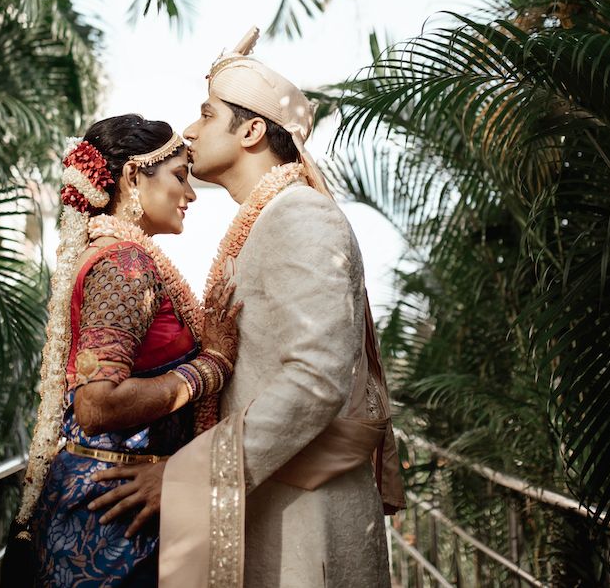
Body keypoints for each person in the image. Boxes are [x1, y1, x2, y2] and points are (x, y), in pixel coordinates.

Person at [90, 31, 405, 588]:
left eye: (206, 115)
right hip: (266, 500)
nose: (188, 132)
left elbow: (315, 380)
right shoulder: (267, 220)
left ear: (252, 130)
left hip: (305, 522)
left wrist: (189, 474)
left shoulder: (301, 216)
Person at [9, 114, 242, 587]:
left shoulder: (126, 257)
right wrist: (212, 366)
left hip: (118, 501)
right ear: (134, 176)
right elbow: (97, 404)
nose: (191, 195)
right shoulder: (123, 263)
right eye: (180, 176)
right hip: (111, 515)